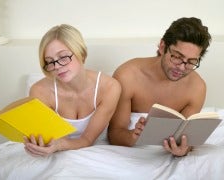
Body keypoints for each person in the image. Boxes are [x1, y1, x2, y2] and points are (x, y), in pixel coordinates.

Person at [108, 17, 212, 157]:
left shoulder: (197, 87)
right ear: (162, 47)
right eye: (176, 57)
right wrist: (134, 135)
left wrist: (183, 149)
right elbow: (115, 133)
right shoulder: (128, 75)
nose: (181, 67)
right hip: (131, 153)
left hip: (166, 155)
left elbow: (186, 137)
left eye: (191, 62)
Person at [24, 24, 121, 156]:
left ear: (81, 52)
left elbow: (87, 140)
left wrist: (59, 144)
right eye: (50, 62)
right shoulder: (39, 91)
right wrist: (39, 145)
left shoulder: (110, 87)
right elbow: (48, 137)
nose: (57, 66)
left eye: (63, 57)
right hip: (56, 153)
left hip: (94, 152)